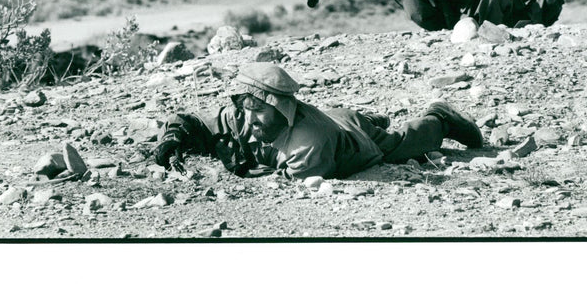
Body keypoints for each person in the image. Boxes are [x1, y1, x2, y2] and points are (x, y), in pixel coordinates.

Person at [153, 62, 483, 180]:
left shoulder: (309, 144)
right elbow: (194, 121)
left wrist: (232, 161)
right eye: (246, 108)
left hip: (349, 137)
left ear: (281, 109)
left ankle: (439, 115)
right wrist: (174, 138)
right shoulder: (245, 115)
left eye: (260, 110)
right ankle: (370, 117)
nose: (249, 119)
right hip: (333, 117)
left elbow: (281, 180)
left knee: (404, 145)